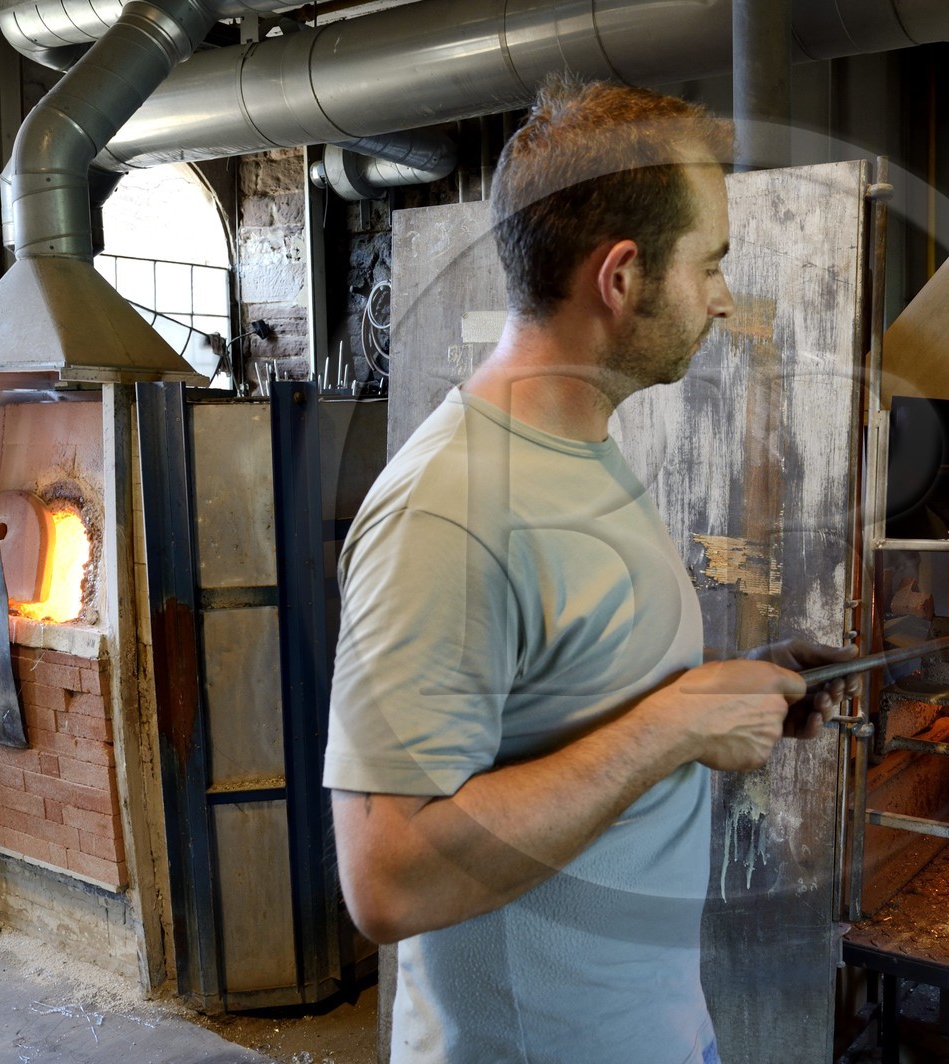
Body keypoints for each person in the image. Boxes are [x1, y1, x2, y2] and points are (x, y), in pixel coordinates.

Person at [323, 77, 858, 1064]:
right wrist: (675, 722)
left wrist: (734, 688)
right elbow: (386, 876)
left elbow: (570, 699)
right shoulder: (448, 510)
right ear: (620, 277)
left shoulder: (579, 448)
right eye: (710, 263)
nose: (722, 295)